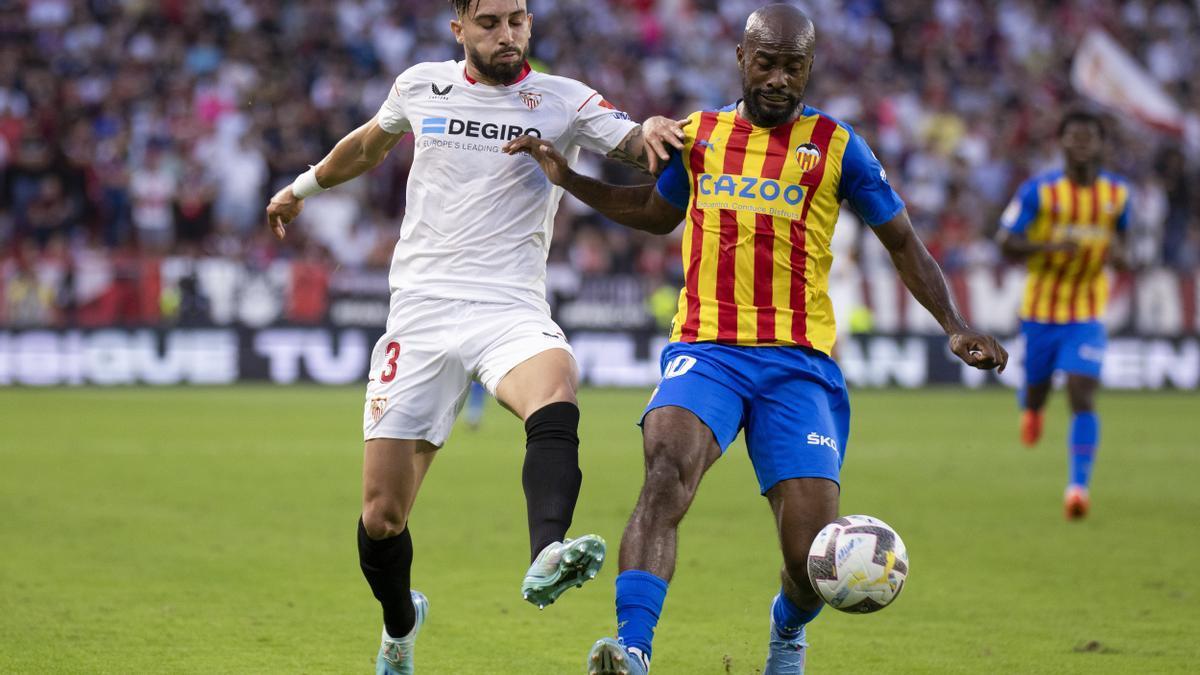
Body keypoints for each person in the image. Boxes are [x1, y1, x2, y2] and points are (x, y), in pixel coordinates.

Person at [505, 5, 1008, 674]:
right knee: (664, 474)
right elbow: (658, 213)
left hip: (799, 366)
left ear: (810, 67)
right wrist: (570, 180)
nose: (778, 77)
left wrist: (954, 324)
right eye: (765, 61)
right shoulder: (700, 134)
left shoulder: (838, 146)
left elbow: (903, 243)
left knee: (809, 558)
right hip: (708, 348)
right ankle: (632, 647)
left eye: (792, 65)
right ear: (742, 60)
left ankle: (787, 627)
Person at [264, 1, 686, 672]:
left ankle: (547, 549)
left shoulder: (564, 101)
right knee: (381, 517)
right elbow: (369, 144)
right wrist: (302, 186)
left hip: (508, 306)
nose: (507, 33)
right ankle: (401, 622)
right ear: (458, 28)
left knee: (556, 387)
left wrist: (659, 129)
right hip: (421, 314)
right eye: (489, 21)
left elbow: (638, 145)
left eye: (517, 18)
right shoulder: (420, 84)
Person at [996, 109, 1132, 520]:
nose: (1081, 144)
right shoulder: (1039, 192)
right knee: (1037, 390)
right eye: (1073, 137)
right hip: (1040, 311)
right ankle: (1032, 410)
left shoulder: (1118, 196)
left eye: (1089, 137)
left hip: (1088, 310)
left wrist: (1122, 256)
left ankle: (1078, 487)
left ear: (1102, 144)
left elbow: (1125, 244)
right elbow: (1005, 242)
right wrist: (1050, 250)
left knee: (1081, 391)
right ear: (1061, 143)